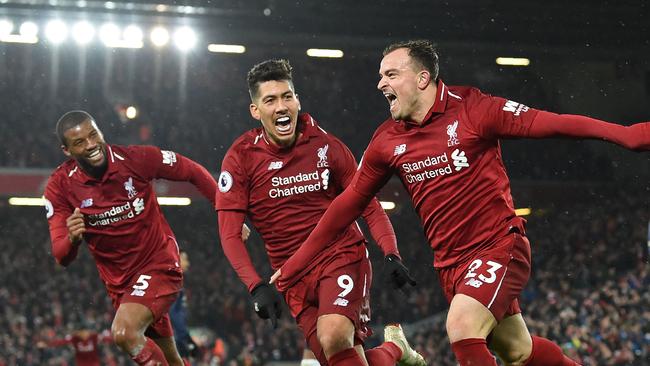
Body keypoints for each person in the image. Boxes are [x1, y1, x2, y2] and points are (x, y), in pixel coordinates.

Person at [271, 40, 650, 366]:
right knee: (518, 351)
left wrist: (627, 135)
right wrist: (294, 266)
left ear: (422, 79)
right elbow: (346, 205)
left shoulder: (474, 109)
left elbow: (554, 123)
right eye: (381, 75)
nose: (380, 83)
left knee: (462, 326)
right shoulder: (387, 140)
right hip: (451, 265)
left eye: (390, 74)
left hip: (499, 246)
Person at [215, 59, 426, 366]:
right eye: (270, 100)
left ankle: (395, 349)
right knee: (341, 357)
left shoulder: (327, 147)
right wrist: (256, 286)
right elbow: (230, 233)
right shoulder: (241, 158)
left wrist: (391, 253)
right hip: (290, 275)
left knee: (333, 335)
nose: (281, 106)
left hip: (340, 256)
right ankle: (396, 349)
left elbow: (368, 205)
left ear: (297, 100)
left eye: (287, 96)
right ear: (255, 110)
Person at [44, 110, 218, 366]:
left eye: (94, 135)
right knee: (172, 361)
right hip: (122, 287)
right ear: (67, 150)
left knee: (124, 332)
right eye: (80, 142)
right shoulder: (60, 186)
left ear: (101, 132)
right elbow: (61, 256)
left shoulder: (136, 159)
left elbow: (191, 170)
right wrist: (72, 238)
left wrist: (227, 213)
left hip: (158, 264)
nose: (91, 145)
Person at [170, 251, 199, 361]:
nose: (188, 263)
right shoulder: (174, 283)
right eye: (185, 259)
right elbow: (174, 314)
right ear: (177, 259)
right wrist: (188, 340)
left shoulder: (177, 281)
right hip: (176, 341)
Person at [38, 329, 111, 366]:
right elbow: (61, 342)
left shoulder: (94, 336)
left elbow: (107, 339)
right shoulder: (75, 338)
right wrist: (47, 344)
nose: (84, 334)